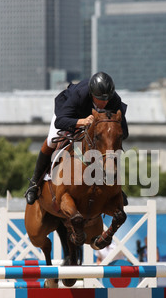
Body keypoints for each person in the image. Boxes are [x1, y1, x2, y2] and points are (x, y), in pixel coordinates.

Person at [25, 72, 129, 205]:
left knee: (111, 146)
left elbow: (124, 132)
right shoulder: (79, 95)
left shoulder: (114, 100)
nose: (105, 102)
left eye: (107, 99)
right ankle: (34, 183)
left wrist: (109, 131)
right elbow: (60, 122)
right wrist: (81, 122)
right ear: (92, 94)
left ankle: (116, 188)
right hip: (70, 116)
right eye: (100, 99)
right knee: (52, 139)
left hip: (95, 127)